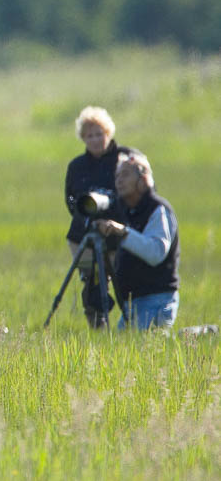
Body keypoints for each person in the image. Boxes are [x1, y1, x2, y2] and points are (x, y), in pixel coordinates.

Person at [64, 106, 132, 328]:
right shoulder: (76, 167)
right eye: (89, 135)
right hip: (84, 237)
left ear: (108, 133)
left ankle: (128, 323)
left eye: (99, 134)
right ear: (83, 138)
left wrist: (113, 221)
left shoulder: (124, 160)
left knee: (122, 280)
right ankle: (97, 323)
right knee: (91, 281)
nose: (94, 140)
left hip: (117, 234)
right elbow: (71, 201)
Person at [94, 153, 179, 330]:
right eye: (117, 176)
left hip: (156, 299)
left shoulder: (157, 209)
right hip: (132, 302)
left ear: (143, 179)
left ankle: (199, 335)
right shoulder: (125, 210)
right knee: (122, 352)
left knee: (144, 350)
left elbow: (155, 252)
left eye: (125, 174)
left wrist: (122, 232)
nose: (119, 180)